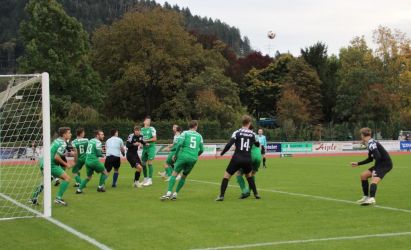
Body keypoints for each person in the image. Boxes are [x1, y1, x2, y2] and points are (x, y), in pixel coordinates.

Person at [216, 115, 260, 201]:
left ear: (242, 123)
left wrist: (222, 153)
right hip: (247, 159)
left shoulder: (237, 132)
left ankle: (221, 196)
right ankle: (256, 194)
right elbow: (257, 144)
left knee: (226, 176)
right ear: (249, 123)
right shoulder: (253, 134)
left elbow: (229, 144)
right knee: (249, 176)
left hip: (237, 158)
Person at [160, 120, 204, 201]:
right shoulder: (199, 136)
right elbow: (202, 149)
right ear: (196, 126)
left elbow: (179, 144)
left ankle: (168, 193)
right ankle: (175, 194)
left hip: (183, 156)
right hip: (193, 159)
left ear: (189, 126)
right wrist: (196, 155)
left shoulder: (185, 133)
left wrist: (175, 155)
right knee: (184, 176)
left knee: (174, 174)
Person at [30, 127, 73, 206]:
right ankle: (58, 198)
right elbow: (56, 156)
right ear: (64, 135)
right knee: (67, 178)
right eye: (69, 133)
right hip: (50, 164)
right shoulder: (63, 143)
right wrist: (66, 164)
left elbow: (55, 152)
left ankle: (34, 198)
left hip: (43, 161)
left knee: (48, 180)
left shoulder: (57, 140)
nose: (71, 134)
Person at [351, 127, 393, 205]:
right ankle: (366, 197)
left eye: (361, 135)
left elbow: (378, 157)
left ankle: (372, 199)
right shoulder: (370, 143)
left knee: (374, 180)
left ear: (363, 135)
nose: (361, 136)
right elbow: (370, 159)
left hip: (385, 164)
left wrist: (375, 170)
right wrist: (358, 163)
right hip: (380, 163)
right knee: (363, 175)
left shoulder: (372, 144)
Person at [236, 125, 262, 199]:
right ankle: (254, 193)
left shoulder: (244, 135)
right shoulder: (255, 136)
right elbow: (259, 146)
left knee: (238, 173)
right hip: (258, 156)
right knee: (252, 174)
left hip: (250, 156)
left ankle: (245, 191)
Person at [141, 116, 157, 186]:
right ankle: (145, 178)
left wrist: (146, 141)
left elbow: (154, 138)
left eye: (149, 120)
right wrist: (140, 144)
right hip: (144, 148)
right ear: (144, 122)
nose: (149, 121)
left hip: (151, 148)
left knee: (150, 163)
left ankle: (150, 180)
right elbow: (140, 139)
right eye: (147, 120)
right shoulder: (141, 130)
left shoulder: (152, 129)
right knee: (143, 163)